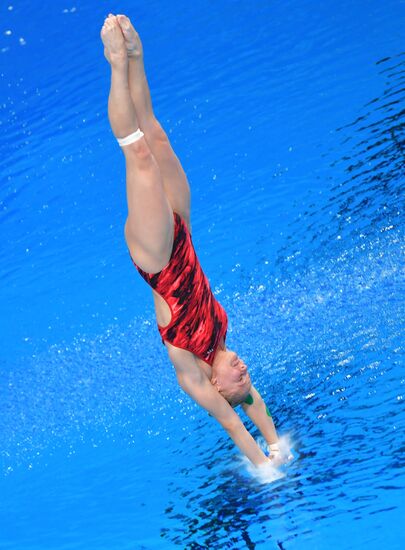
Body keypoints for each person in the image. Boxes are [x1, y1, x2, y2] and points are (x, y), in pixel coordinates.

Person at [100, 14, 287, 467]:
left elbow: (232, 423)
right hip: (182, 228)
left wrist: (264, 467)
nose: (243, 370)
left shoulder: (192, 371)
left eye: (237, 379)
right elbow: (253, 407)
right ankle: (137, 57)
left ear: (219, 388)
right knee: (157, 134)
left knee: (139, 153)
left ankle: (114, 65)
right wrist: (276, 443)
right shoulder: (222, 341)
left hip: (159, 258)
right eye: (246, 373)